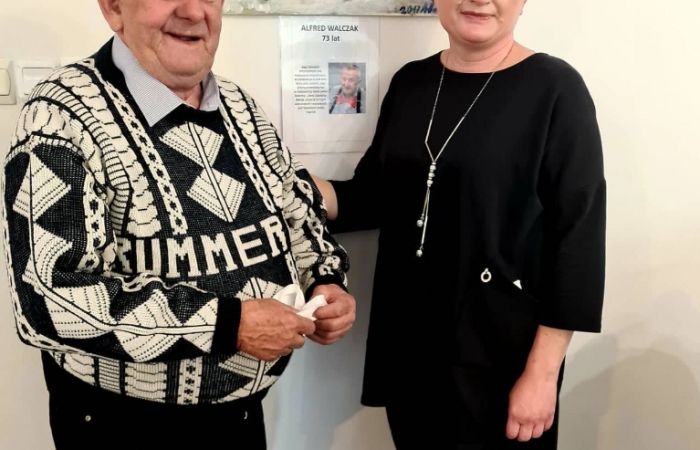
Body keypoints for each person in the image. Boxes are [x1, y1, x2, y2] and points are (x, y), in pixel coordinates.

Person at [1, 1, 355, 449]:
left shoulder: (242, 107)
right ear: (114, 8)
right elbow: (48, 297)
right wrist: (229, 325)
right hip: (123, 427)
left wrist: (325, 279)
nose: (192, 11)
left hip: (242, 418)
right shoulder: (60, 116)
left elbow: (300, 212)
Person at [312, 0, 606, 448]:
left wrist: (543, 376)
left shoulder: (555, 88)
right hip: (410, 345)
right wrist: (282, 183)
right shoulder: (411, 82)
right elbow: (373, 198)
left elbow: (578, 239)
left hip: (501, 356)